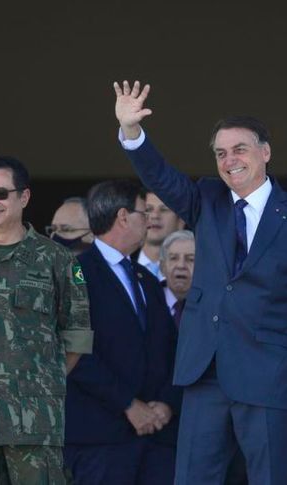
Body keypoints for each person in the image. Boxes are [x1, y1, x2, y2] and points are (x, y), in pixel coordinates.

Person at [113, 80, 287, 484]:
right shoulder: (206, 198)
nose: (229, 159)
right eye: (220, 153)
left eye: (239, 149)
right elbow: (161, 177)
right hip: (206, 373)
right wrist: (132, 130)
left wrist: (285, 350)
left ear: (265, 152)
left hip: (270, 375)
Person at [0, 156, 93, 484]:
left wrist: (41, 380)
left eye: (0, 193)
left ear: (23, 197)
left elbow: (77, 336)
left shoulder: (58, 260)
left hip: (34, 418)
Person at [63, 180, 181, 484]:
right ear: (123, 217)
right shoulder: (75, 273)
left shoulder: (146, 280)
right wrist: (127, 404)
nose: (150, 220)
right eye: (144, 212)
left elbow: (171, 348)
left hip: (155, 439)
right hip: (99, 440)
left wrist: (166, 403)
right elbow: (75, 353)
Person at [137, 192, 185, 279]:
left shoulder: (196, 268)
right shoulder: (121, 262)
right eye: (148, 209)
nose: (155, 216)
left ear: (181, 222)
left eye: (164, 210)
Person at [158, 230, 195, 327]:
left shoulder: (211, 306)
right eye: (174, 258)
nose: (181, 265)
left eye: (190, 259)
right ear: (162, 267)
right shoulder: (147, 300)